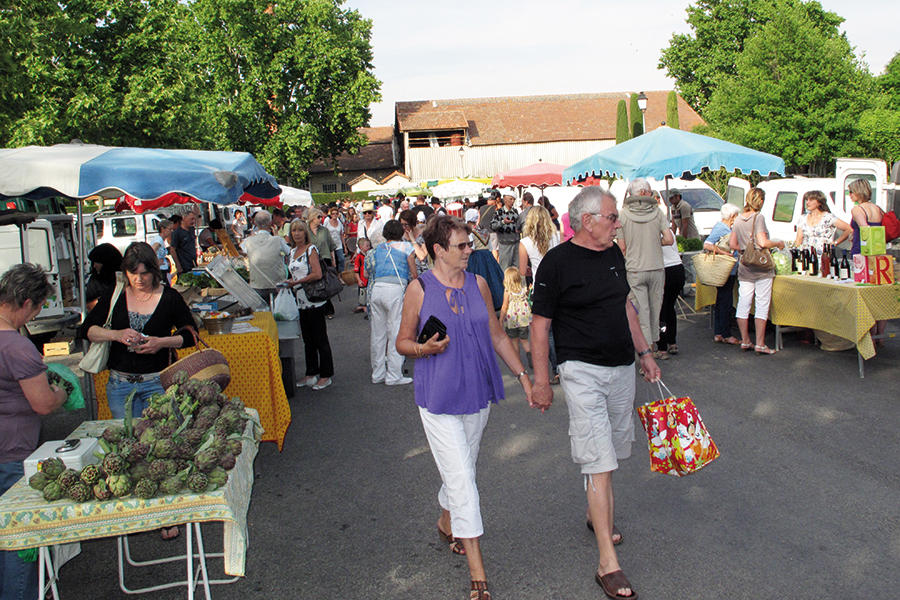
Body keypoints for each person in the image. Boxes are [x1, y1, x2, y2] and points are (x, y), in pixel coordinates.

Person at [531, 187, 662, 600]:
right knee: (599, 459)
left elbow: (626, 306)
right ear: (586, 221)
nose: (617, 222)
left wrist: (644, 352)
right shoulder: (556, 263)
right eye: (610, 216)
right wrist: (540, 380)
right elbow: (539, 326)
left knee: (614, 451)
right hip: (580, 368)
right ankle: (608, 563)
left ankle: (595, 513)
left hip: (622, 366)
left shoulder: (614, 254)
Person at [395, 215, 534, 600]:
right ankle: (478, 574)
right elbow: (402, 342)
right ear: (439, 250)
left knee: (463, 468)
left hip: (476, 393)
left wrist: (525, 378)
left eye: (469, 244)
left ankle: (445, 521)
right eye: (462, 246)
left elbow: (497, 335)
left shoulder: (480, 284)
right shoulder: (419, 289)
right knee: (463, 481)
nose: (470, 250)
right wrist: (426, 348)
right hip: (437, 398)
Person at [0, 264, 67, 600]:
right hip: (12, 454)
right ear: (26, 302)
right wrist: (63, 392)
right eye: (39, 306)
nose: (36, 314)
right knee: (18, 541)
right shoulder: (15, 347)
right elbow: (42, 404)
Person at [81, 242, 196, 417]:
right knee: (128, 436)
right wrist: (116, 335)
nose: (139, 279)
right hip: (120, 385)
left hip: (159, 382)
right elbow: (86, 330)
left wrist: (161, 342)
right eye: (133, 273)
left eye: (144, 274)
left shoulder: (169, 297)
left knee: (160, 436)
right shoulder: (115, 294)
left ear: (154, 271)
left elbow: (191, 335)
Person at [617, 178, 675, 353]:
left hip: (634, 269)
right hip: (656, 267)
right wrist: (654, 243)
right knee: (655, 310)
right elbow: (669, 239)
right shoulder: (658, 213)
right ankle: (655, 344)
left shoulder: (623, 214)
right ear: (645, 193)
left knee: (641, 312)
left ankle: (646, 352)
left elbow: (622, 247)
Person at [730, 187, 785, 354]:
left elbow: (733, 244)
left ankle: (745, 340)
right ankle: (760, 343)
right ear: (760, 201)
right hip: (761, 268)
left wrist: (746, 252)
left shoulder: (738, 219)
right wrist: (777, 243)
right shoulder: (758, 217)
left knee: (743, 303)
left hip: (745, 266)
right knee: (762, 303)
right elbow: (762, 242)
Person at [284, 220, 334, 390]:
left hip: (314, 299)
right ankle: (311, 372)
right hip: (300, 301)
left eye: (299, 230)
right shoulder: (292, 252)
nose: (296, 233)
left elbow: (317, 273)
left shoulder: (311, 249)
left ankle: (326, 374)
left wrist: (297, 282)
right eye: (293, 231)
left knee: (320, 338)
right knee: (308, 339)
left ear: (305, 232)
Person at [367, 220, 417, 385]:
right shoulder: (407, 248)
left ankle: (377, 373)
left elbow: (370, 271)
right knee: (395, 331)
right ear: (401, 232)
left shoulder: (377, 250)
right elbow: (413, 272)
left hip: (377, 289)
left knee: (378, 334)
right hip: (395, 289)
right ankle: (394, 375)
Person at [847, 179, 886, 340]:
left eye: (850, 192)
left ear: (857, 193)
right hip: (880, 255)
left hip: (862, 255)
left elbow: (865, 229)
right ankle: (880, 335)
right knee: (879, 296)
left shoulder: (858, 210)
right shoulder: (878, 209)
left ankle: (869, 337)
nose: (849, 195)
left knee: (863, 297)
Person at [705, 203, 742, 345]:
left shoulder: (724, 227)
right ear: (732, 216)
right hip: (725, 270)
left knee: (722, 301)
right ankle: (725, 334)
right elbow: (707, 244)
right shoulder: (722, 228)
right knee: (725, 301)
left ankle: (719, 333)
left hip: (726, 270)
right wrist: (723, 252)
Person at [241, 211, 291, 303]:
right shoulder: (278, 240)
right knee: (278, 312)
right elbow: (288, 252)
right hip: (277, 283)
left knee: (262, 313)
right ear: (270, 223)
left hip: (257, 284)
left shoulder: (248, 241)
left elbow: (243, 251)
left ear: (255, 223)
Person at [657, 234, 684, 358]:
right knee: (670, 307)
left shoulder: (652, 230)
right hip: (678, 268)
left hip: (664, 270)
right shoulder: (668, 232)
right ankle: (672, 342)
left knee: (661, 310)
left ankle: (662, 346)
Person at [499, 267, 532, 368]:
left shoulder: (508, 291)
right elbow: (527, 296)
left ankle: (518, 362)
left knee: (514, 341)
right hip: (523, 320)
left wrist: (500, 319)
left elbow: (505, 306)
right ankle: (531, 357)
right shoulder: (523, 289)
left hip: (512, 320)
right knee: (525, 340)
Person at [308, 209, 337, 319]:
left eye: (321, 217)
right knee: (315, 285)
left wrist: (333, 260)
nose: (321, 219)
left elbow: (331, 245)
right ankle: (318, 309)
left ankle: (328, 310)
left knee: (325, 285)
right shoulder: (306, 231)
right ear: (312, 218)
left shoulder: (324, 230)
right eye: (318, 217)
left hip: (325, 259)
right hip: (311, 260)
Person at [85, 243, 123, 311]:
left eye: (97, 262)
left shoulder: (123, 277)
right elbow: (90, 304)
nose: (94, 266)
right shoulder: (95, 280)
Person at [490, 191, 520, 269]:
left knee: (516, 269)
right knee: (505, 269)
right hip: (505, 244)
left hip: (516, 244)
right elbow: (493, 226)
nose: (512, 201)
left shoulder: (515, 212)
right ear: (505, 199)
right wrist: (503, 222)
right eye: (511, 199)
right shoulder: (499, 213)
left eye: (514, 199)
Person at [148, 220, 174, 285]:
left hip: (163, 269)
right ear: (162, 229)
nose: (171, 231)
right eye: (170, 229)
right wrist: (156, 262)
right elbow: (151, 251)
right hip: (160, 271)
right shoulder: (158, 240)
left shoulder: (161, 240)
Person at [324, 206, 346, 273]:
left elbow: (341, 235)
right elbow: (324, 233)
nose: (335, 215)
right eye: (333, 214)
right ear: (331, 215)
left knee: (341, 259)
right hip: (330, 245)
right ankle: (333, 275)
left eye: (336, 213)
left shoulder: (339, 223)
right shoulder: (327, 222)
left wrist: (345, 246)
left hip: (338, 244)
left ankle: (340, 274)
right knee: (332, 261)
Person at [353, 237, 371, 314]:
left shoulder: (369, 255)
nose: (369, 247)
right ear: (361, 247)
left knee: (369, 294)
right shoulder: (359, 257)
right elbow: (356, 271)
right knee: (362, 295)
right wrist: (359, 280)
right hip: (363, 280)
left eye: (369, 246)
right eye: (367, 246)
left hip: (369, 279)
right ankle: (364, 307)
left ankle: (365, 306)